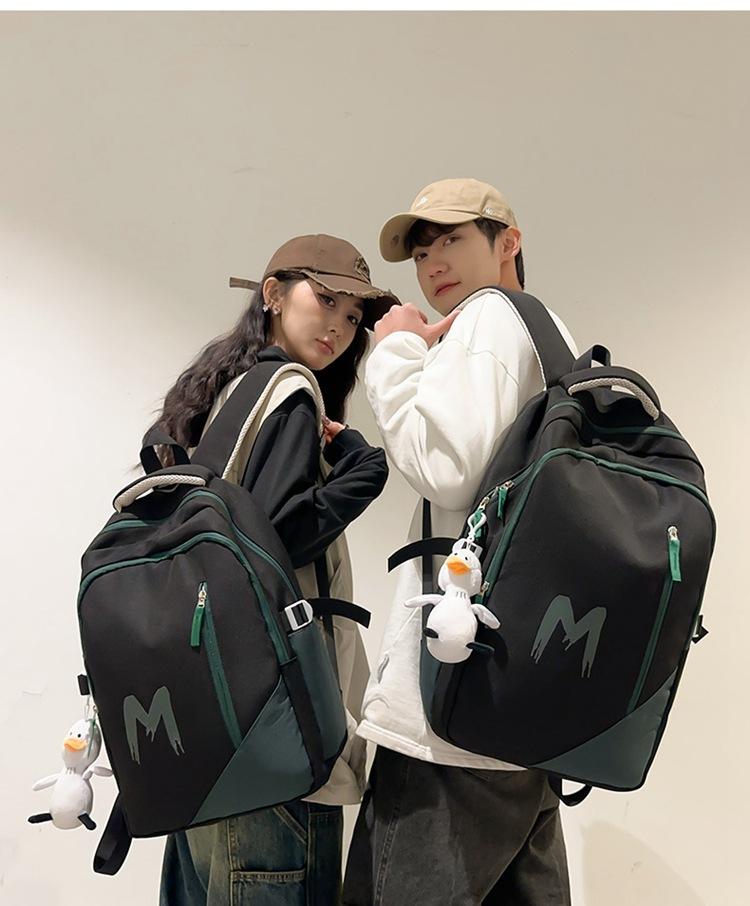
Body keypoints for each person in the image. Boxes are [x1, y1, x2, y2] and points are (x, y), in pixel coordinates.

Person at [343, 179, 577, 905]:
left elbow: (446, 471)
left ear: (509, 242)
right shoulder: (552, 335)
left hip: (452, 712)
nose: (434, 263)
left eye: (451, 240)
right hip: (523, 708)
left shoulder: (487, 319)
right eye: (421, 252)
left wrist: (392, 351)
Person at [156, 233, 399, 906]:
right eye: (326, 300)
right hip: (276, 743)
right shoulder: (289, 395)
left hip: (211, 739)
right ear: (272, 294)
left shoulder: (225, 394)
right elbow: (272, 546)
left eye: (353, 316)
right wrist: (365, 470)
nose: (339, 327)